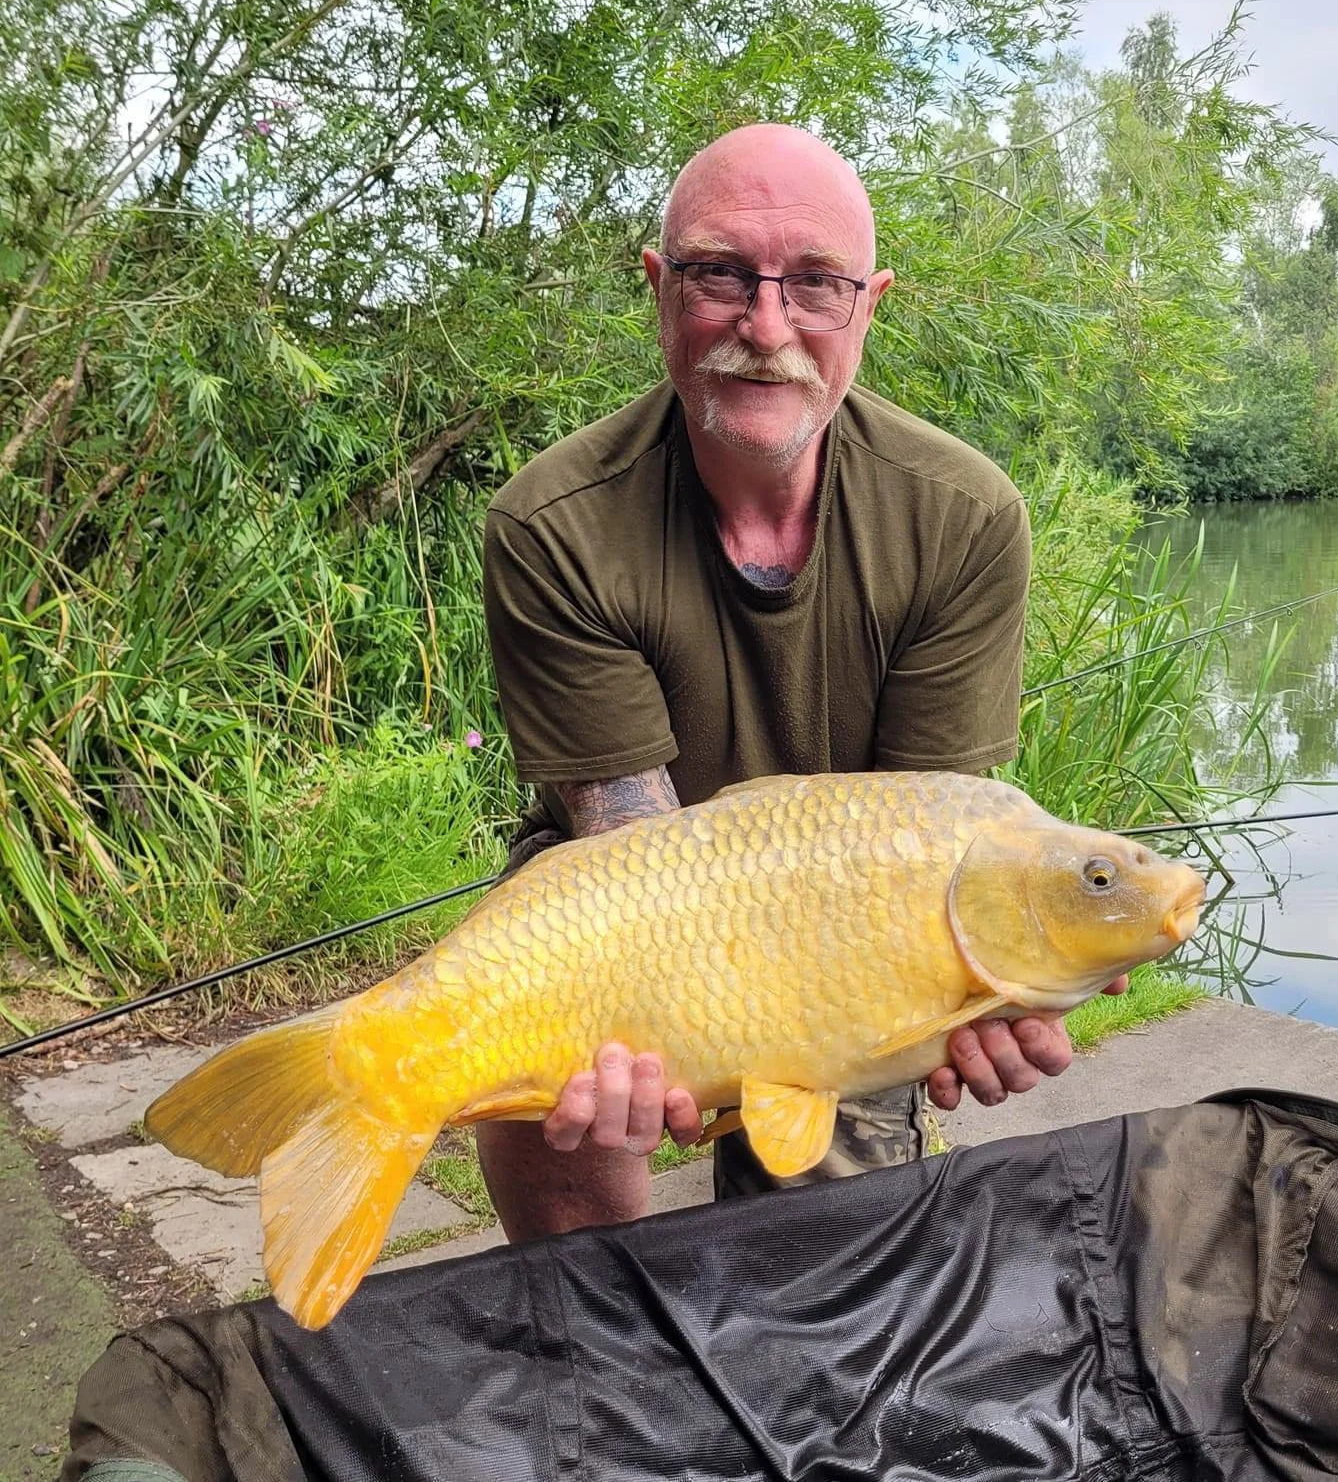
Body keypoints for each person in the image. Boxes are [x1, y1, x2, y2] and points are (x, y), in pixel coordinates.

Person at [476, 122, 1126, 1244]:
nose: (766, 326)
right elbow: (633, 853)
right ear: (659, 289)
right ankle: (589, 1317)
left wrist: (968, 1004)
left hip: (857, 913)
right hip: (630, 890)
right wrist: (683, 1041)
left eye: (816, 283)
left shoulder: (964, 516)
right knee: (557, 1102)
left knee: (827, 1239)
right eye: (720, 274)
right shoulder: (554, 522)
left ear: (870, 306)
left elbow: (933, 838)